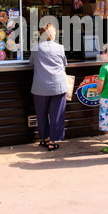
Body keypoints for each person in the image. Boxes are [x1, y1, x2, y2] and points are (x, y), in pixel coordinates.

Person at [29, 23, 67, 151]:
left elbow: (31, 62)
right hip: (58, 85)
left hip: (40, 87)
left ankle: (44, 139)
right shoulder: (60, 47)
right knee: (57, 114)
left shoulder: (36, 47)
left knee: (41, 113)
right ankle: (52, 141)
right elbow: (64, 63)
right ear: (54, 34)